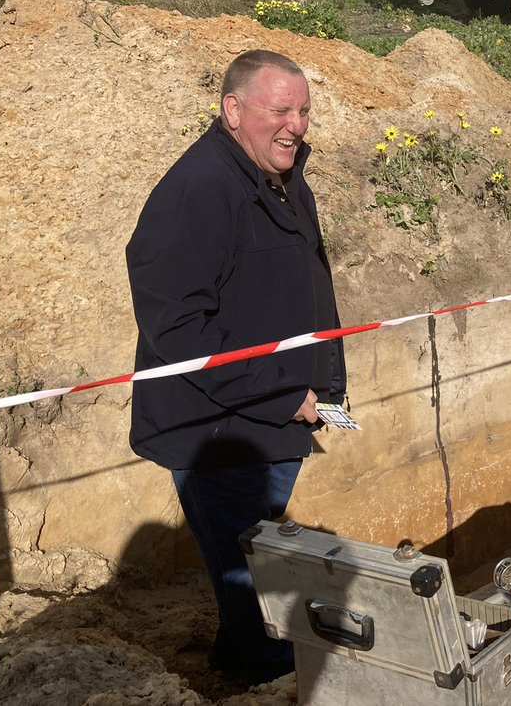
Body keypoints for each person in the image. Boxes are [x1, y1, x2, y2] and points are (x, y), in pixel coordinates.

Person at [126, 49, 346, 684]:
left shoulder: (278, 174)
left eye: (303, 111)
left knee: (251, 567)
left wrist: (324, 386)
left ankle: (232, 664)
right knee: (254, 584)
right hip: (220, 431)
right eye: (280, 109)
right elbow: (179, 329)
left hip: (269, 416)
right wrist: (284, 395)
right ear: (232, 110)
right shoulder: (197, 191)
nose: (296, 124)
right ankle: (268, 680)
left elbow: (305, 284)